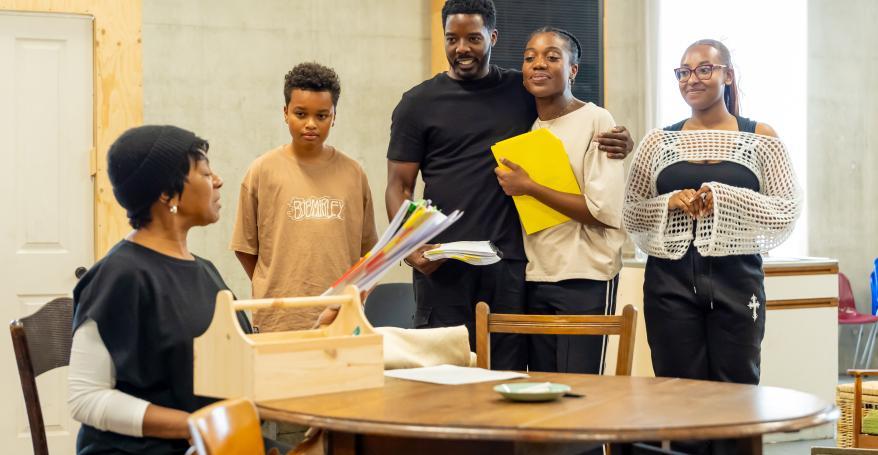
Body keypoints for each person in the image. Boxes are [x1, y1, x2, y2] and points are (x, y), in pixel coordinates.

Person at [385, 0, 633, 370]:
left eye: (473, 37)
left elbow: (572, 114)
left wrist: (622, 140)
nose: (462, 48)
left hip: (511, 268)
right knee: (442, 380)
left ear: (493, 37)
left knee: (511, 381)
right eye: (452, 38)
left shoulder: (522, 92)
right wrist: (410, 247)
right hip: (443, 265)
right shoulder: (416, 103)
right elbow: (398, 185)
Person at [623, 39, 801, 454]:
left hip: (737, 280)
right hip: (669, 279)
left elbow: (786, 209)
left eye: (705, 69)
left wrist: (722, 197)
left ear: (727, 75)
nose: (692, 79)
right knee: (679, 390)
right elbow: (631, 212)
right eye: (684, 71)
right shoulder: (657, 142)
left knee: (737, 389)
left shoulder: (760, 138)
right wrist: (671, 200)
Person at [494, 27, 626, 374]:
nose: (538, 64)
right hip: (537, 279)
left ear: (573, 70)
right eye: (529, 57)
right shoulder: (530, 131)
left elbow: (603, 213)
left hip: (585, 278)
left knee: (582, 393)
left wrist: (530, 186)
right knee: (544, 391)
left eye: (552, 57)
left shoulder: (598, 120)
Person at [230, 62, 378, 332]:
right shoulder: (262, 171)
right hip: (279, 317)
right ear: (285, 113)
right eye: (301, 113)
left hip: (340, 317)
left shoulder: (354, 173)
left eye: (321, 116)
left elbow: (367, 252)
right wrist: (274, 285)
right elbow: (245, 248)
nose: (311, 124)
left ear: (334, 116)